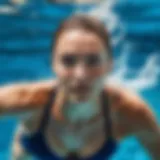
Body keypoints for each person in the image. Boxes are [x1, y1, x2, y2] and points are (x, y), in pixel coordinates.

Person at [0, 15, 159, 160]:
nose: (81, 75)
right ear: (53, 65)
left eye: (93, 61)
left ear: (110, 65)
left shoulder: (130, 112)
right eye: (68, 61)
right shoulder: (28, 100)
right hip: (37, 139)